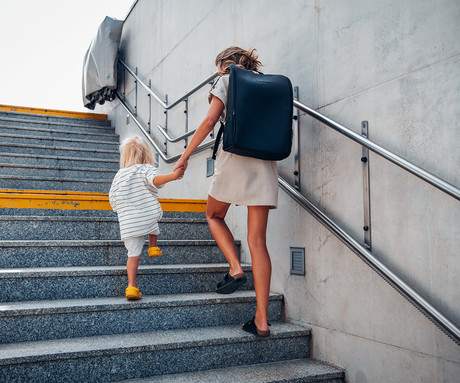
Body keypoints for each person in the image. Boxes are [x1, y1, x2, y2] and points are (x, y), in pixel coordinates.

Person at [173, 47, 277, 336]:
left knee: (214, 215)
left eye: (216, 65)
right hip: (265, 163)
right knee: (257, 242)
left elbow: (209, 122)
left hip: (235, 159)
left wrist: (184, 157)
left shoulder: (228, 78)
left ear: (223, 63)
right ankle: (262, 320)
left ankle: (234, 267)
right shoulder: (266, 84)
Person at [109, 135, 184, 300]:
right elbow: (156, 180)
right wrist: (172, 176)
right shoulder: (146, 169)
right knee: (153, 220)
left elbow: (112, 197)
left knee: (133, 254)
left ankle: (131, 287)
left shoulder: (119, 175)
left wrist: (118, 209)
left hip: (129, 222)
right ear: (146, 155)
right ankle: (153, 247)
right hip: (146, 215)